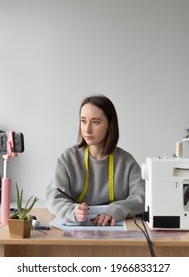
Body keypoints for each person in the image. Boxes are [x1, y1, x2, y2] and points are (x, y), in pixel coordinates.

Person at [45, 95, 145, 226]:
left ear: (110, 125)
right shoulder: (68, 158)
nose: (87, 129)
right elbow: (54, 196)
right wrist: (72, 211)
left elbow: (142, 197)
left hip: (115, 227)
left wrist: (117, 209)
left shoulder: (126, 161)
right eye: (83, 121)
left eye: (96, 122)